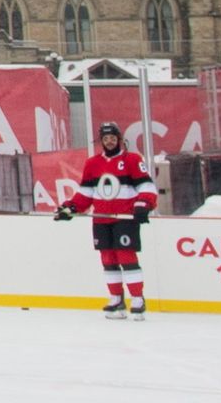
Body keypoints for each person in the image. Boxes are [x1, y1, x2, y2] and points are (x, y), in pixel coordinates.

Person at [58, 119, 156, 317]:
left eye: (112, 138)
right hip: (101, 219)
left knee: (126, 256)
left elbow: (146, 187)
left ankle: (137, 298)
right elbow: (85, 193)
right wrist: (70, 207)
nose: (109, 141)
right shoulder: (92, 163)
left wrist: (143, 205)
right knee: (108, 259)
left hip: (125, 218)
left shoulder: (132, 160)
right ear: (101, 141)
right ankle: (117, 299)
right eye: (106, 138)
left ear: (119, 139)